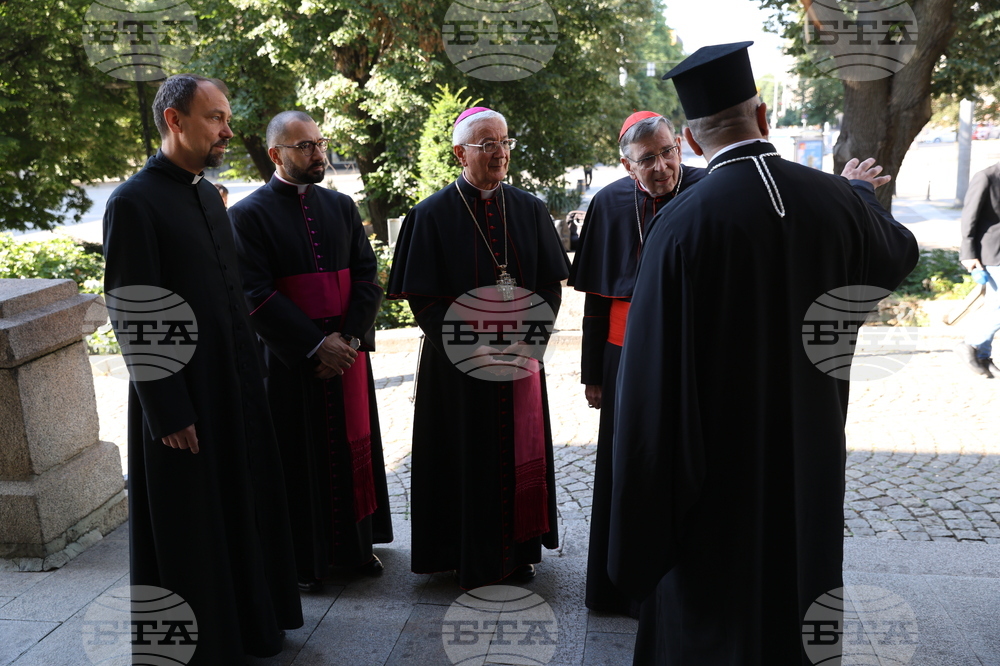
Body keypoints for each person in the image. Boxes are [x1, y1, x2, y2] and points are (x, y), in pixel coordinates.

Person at [607, 43, 918, 664]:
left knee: (713, 618)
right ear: (766, 116)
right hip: (812, 446)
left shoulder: (681, 223)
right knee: (801, 590)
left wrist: (636, 525)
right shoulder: (834, 202)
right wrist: (854, 195)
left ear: (692, 144)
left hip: (717, 467)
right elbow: (897, 252)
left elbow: (651, 383)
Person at [102, 74, 302, 664]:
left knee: (242, 508)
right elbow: (134, 313)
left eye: (226, 117)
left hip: (233, 386)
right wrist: (169, 411)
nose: (226, 129)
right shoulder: (133, 202)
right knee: (193, 523)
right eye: (214, 118)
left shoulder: (208, 196)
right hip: (184, 398)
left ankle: (250, 626)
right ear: (175, 121)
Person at [386, 106, 570, 589]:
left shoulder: (528, 208)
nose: (499, 153)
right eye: (487, 144)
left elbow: (551, 286)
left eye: (505, 142)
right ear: (459, 153)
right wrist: (476, 351)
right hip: (458, 368)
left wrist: (528, 343)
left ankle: (519, 550)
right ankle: (461, 553)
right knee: (464, 457)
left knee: (516, 453)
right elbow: (423, 300)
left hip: (521, 359)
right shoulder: (429, 215)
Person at [229, 110, 393, 593]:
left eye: (320, 143)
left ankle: (357, 548)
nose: (318, 153)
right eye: (305, 146)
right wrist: (315, 345)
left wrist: (349, 339)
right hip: (290, 363)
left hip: (347, 355)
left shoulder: (341, 208)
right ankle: (305, 560)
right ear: (277, 153)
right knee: (297, 459)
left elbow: (367, 277)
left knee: (351, 449)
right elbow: (253, 294)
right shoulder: (246, 216)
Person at [568, 111, 706, 616]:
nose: (662, 166)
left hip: (689, 353)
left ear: (680, 147)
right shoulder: (607, 204)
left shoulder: (705, 191)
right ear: (627, 165)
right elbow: (597, 299)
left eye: (669, 153)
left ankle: (681, 588)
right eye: (647, 160)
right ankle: (620, 587)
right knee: (628, 464)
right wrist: (592, 374)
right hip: (622, 355)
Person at [955, 161, 1000, 377]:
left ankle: (982, 356)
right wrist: (968, 254)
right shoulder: (986, 176)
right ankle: (970, 344)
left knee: (994, 306)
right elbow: (969, 218)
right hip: (993, 252)